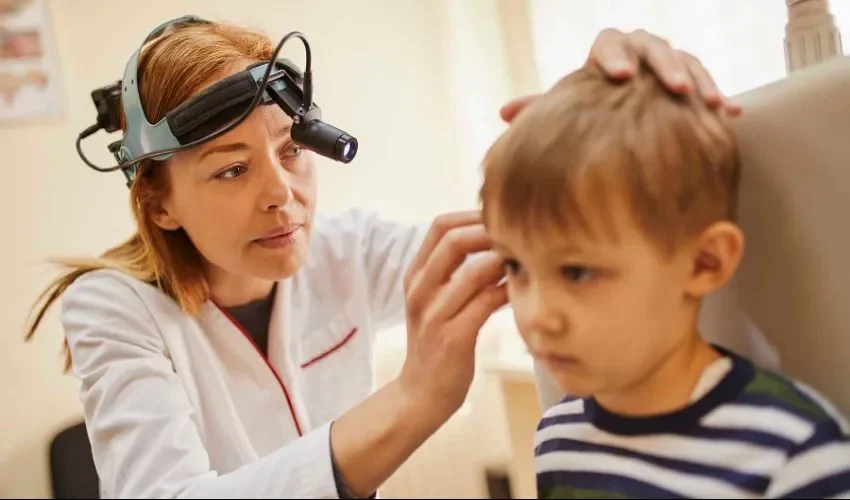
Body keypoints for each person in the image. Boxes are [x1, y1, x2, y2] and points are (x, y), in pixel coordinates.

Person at [26, 17, 744, 499]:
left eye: (288, 152)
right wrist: (415, 398)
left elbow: (520, 248)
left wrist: (592, 109)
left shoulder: (344, 251)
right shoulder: (113, 308)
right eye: (231, 170)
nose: (284, 198)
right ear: (159, 204)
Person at [479, 61, 850, 498]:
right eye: (515, 267)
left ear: (704, 263)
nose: (536, 316)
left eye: (576, 272)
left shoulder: (792, 452)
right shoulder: (559, 438)